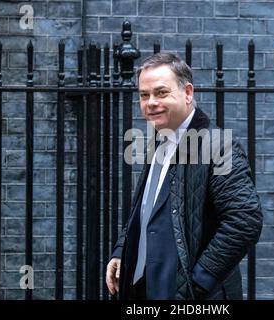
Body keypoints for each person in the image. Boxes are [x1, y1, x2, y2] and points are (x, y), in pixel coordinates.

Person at [106, 52, 262, 300]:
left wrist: (197, 284)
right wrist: (121, 250)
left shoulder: (219, 145)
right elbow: (146, 209)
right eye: (144, 95)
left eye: (161, 93)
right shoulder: (159, 141)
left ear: (188, 93)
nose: (150, 103)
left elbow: (244, 221)